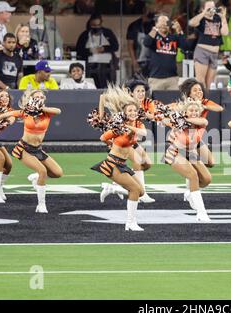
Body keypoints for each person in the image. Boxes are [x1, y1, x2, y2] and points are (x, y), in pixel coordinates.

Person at [0, 89, 63, 213]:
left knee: (58, 173)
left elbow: (58, 111)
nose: (40, 98)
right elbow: (10, 114)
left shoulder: (47, 113)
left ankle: (36, 178)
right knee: (42, 170)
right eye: (37, 97)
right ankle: (41, 205)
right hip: (24, 148)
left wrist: (41, 108)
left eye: (42, 97)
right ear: (31, 99)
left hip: (38, 149)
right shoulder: (26, 113)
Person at [90, 86, 147, 231]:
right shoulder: (117, 127)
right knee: (134, 190)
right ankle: (130, 223)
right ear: (124, 113)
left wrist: (130, 128)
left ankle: (111, 188)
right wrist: (113, 143)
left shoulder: (137, 124)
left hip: (123, 164)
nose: (133, 113)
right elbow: (103, 137)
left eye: (134, 110)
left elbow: (143, 133)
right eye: (130, 111)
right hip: (113, 163)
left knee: (141, 192)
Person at [98, 80, 154, 203]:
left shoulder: (144, 103)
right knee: (138, 162)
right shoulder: (124, 103)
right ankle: (141, 192)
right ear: (131, 93)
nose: (141, 93)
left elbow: (152, 116)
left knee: (148, 163)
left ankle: (115, 186)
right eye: (138, 91)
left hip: (132, 138)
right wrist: (101, 117)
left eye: (143, 91)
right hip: (121, 138)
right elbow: (103, 96)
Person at [162, 98, 212, 222]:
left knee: (206, 179)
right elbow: (164, 120)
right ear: (185, 111)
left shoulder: (201, 122)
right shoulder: (178, 122)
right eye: (191, 110)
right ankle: (201, 213)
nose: (194, 112)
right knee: (193, 176)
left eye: (196, 110)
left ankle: (190, 193)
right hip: (175, 152)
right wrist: (172, 118)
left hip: (190, 152)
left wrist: (182, 119)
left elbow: (203, 121)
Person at [179, 78, 223, 169]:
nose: (199, 92)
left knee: (210, 163)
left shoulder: (204, 102)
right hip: (186, 138)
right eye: (195, 90)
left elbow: (219, 108)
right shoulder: (185, 104)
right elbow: (171, 108)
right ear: (189, 94)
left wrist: (204, 106)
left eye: (200, 89)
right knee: (196, 168)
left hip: (197, 138)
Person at [189, 1, 228, 90]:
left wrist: (223, 17)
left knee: (209, 83)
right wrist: (204, 13)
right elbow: (191, 23)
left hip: (214, 53)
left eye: (213, 8)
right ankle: (200, 102)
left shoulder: (218, 18)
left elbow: (225, 33)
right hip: (202, 51)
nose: (211, 10)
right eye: (209, 8)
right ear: (203, 8)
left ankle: (206, 102)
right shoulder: (201, 19)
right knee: (200, 81)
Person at [143, 14, 186, 91]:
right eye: (161, 22)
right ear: (156, 24)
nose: (164, 25)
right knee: (155, 102)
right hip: (156, 78)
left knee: (173, 101)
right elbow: (146, 42)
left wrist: (179, 30)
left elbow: (185, 46)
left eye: (166, 23)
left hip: (172, 78)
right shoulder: (154, 36)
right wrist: (155, 28)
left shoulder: (174, 37)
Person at [76, 14, 119, 88]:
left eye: (98, 25)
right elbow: (79, 50)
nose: (96, 27)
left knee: (107, 85)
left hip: (107, 65)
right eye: (93, 25)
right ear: (90, 24)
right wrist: (90, 51)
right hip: (91, 65)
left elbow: (115, 46)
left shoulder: (107, 33)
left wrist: (104, 49)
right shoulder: (85, 35)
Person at [126, 7, 155, 77]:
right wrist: (134, 61)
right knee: (139, 83)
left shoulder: (155, 24)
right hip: (139, 60)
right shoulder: (134, 26)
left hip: (154, 61)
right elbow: (130, 45)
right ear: (144, 11)